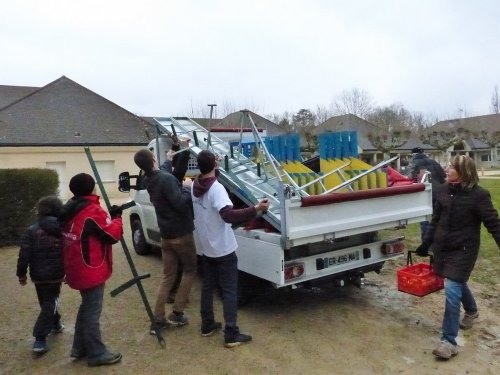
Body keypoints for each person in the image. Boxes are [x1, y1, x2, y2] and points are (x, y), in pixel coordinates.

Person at [415, 155, 500, 360]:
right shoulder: (443, 191)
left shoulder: (479, 196)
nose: (447, 168)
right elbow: (435, 221)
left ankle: (448, 341)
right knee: (456, 282)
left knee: (452, 289)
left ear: (463, 172)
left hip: (464, 251)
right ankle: (471, 310)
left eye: (452, 167)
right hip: (443, 248)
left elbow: (493, 223)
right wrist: (426, 243)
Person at [191, 150, 270, 348]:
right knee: (229, 290)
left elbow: (209, 176)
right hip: (223, 248)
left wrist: (213, 165)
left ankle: (207, 324)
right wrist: (256, 209)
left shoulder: (195, 185)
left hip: (206, 246)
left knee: (208, 285)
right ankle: (231, 333)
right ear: (215, 166)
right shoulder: (216, 189)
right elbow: (228, 215)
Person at [60, 173, 123, 367]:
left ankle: (79, 347)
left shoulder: (70, 208)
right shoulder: (91, 210)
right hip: (91, 267)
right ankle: (96, 353)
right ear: (91, 189)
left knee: (86, 307)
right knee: (92, 312)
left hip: (76, 265)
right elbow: (112, 235)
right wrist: (118, 218)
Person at [134, 146, 197, 334]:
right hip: (181, 234)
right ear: (153, 158)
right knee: (190, 270)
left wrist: (170, 158)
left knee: (167, 276)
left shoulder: (149, 179)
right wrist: (187, 187)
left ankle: (158, 319)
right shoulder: (166, 179)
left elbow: (162, 171)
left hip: (166, 235)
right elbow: (179, 202)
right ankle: (177, 313)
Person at [17, 196, 65, 354]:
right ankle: (41, 337)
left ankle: (52, 326)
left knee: (46, 301)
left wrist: (21, 274)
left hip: (38, 275)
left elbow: (24, 254)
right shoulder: (62, 228)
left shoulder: (31, 230)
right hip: (56, 274)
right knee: (49, 302)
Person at [410, 147, 446, 239]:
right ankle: (439, 239)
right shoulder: (433, 162)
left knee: (425, 218)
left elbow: (410, 179)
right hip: (438, 192)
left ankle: (427, 242)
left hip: (423, 193)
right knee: (437, 217)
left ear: (413, 154)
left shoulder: (414, 164)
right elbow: (443, 176)